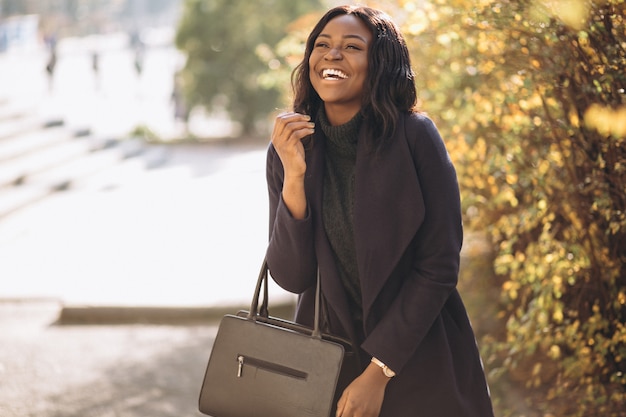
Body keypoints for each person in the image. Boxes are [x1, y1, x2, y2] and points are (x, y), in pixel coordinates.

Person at [265, 5, 495, 417]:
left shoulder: (415, 137)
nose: (332, 55)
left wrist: (378, 372)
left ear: (381, 64)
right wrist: (294, 176)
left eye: (352, 46)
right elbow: (291, 275)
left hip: (420, 359)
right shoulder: (290, 147)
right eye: (322, 45)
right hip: (326, 366)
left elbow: (439, 264)